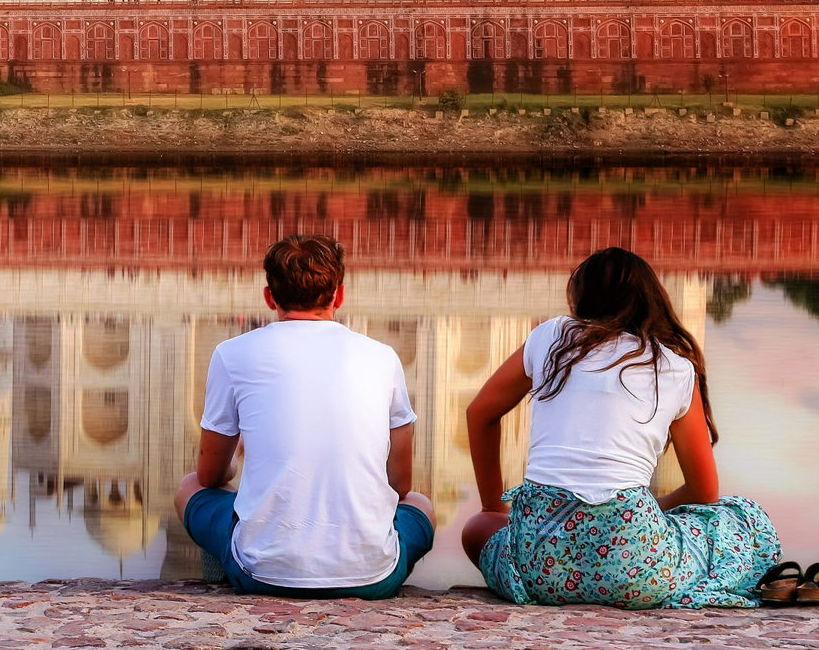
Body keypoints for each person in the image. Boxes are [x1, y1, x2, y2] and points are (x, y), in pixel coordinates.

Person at [462, 247, 780, 607]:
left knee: (477, 529)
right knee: (742, 517)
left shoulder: (552, 337)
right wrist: (648, 507)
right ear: (652, 302)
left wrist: (492, 506)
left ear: (579, 297)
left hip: (540, 574)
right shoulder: (674, 368)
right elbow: (704, 492)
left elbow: (480, 414)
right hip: (638, 575)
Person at [176, 235, 434, 597]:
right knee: (420, 504)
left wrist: (235, 467)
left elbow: (208, 475)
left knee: (190, 487)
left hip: (260, 574)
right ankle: (366, 560)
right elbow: (400, 485)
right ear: (339, 295)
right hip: (375, 579)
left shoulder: (232, 354)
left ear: (269, 297)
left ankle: (227, 565)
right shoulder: (382, 357)